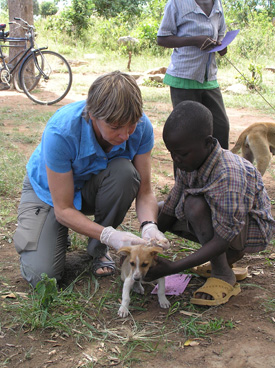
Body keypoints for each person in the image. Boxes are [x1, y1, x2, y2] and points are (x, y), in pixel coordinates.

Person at [13, 70, 169, 287]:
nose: (125, 135)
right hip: (49, 194)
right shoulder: (61, 131)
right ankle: (59, 232)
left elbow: (144, 191)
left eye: (131, 124)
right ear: (93, 116)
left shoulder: (141, 127)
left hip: (93, 187)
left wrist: (149, 225)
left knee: (125, 174)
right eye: (115, 127)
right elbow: (64, 208)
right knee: (43, 278)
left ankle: (98, 249)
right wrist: (111, 235)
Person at [146, 101, 275, 306]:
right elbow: (171, 206)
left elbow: (223, 237)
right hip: (222, 222)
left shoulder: (229, 174)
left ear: (207, 143)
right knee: (158, 212)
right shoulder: (188, 160)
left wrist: (172, 267)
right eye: (172, 153)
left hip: (249, 230)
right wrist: (143, 249)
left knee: (194, 205)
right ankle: (227, 258)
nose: (176, 160)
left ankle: (223, 274)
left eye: (182, 154)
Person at [157, 0, 230, 158]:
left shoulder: (217, 4)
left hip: (209, 78)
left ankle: (220, 176)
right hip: (184, 78)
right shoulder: (177, 3)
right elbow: (162, 38)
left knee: (221, 129)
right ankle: (185, 181)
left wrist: (222, 46)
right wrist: (194, 40)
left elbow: (221, 33)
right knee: (186, 135)